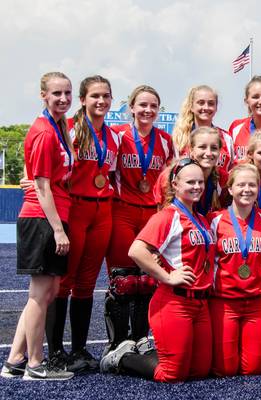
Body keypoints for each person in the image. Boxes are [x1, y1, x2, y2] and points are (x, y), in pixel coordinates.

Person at [100, 158, 215, 382]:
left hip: (200, 304)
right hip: (175, 301)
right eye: (190, 181)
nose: (197, 187)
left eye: (200, 182)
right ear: (175, 184)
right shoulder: (167, 216)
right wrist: (167, 276)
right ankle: (123, 357)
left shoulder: (200, 219)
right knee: (171, 374)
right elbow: (136, 250)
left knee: (201, 371)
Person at [1, 72, 75, 381]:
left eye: (67, 93)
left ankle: (15, 359)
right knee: (40, 294)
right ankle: (35, 363)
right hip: (42, 219)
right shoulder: (45, 132)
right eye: (56, 93)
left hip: (48, 216)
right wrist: (58, 230)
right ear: (43, 95)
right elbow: (43, 187)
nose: (63, 98)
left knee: (46, 292)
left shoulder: (57, 128)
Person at [45, 75, 118, 373]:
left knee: (88, 284)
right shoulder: (71, 131)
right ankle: (55, 352)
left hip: (103, 212)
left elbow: (112, 175)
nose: (101, 101)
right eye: (95, 96)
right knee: (65, 282)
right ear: (83, 100)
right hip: (76, 208)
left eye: (106, 96)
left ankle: (78, 348)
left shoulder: (114, 137)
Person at [105, 85, 173, 355]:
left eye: (153, 106)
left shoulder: (166, 140)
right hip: (123, 210)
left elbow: (170, 179)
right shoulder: (118, 136)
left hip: (152, 213)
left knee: (146, 278)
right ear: (131, 107)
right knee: (123, 279)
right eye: (142, 105)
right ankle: (118, 342)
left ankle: (141, 338)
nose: (147, 110)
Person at [208, 164, 261, 376]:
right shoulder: (214, 221)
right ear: (231, 188)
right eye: (241, 184)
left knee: (253, 369)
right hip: (224, 302)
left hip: (255, 302)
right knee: (225, 370)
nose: (247, 189)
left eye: (252, 185)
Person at [172, 85, 234, 186]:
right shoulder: (179, 138)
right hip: (189, 198)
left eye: (211, 103)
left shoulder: (226, 138)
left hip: (218, 199)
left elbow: (231, 173)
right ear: (191, 106)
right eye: (201, 103)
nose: (206, 107)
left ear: (216, 107)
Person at [154, 126, 223, 216]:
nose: (209, 153)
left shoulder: (222, 179)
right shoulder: (169, 176)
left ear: (219, 151)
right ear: (191, 150)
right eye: (202, 147)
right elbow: (161, 216)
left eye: (214, 148)